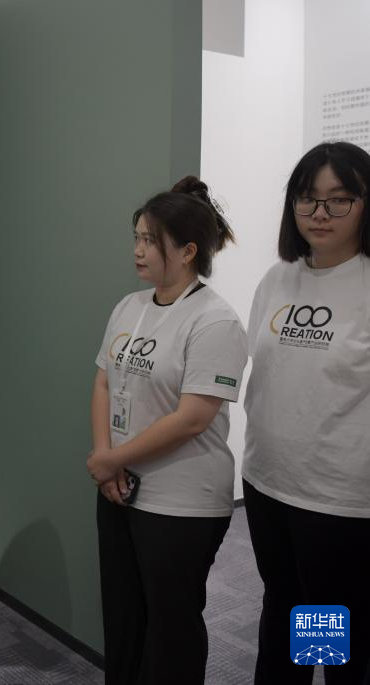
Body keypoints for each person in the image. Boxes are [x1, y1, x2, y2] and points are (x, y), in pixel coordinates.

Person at [87, 177, 246, 684]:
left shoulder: (214, 320)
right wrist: (105, 457)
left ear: (188, 251)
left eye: (150, 241)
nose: (137, 250)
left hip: (182, 501)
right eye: (136, 237)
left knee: (170, 626)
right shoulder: (128, 307)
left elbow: (193, 417)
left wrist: (113, 460)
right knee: (123, 617)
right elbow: (104, 381)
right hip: (120, 488)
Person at [243, 141, 370, 685]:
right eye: (307, 198)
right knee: (283, 605)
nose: (320, 213)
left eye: (339, 199)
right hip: (267, 481)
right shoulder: (278, 279)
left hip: (337, 495)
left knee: (333, 621)